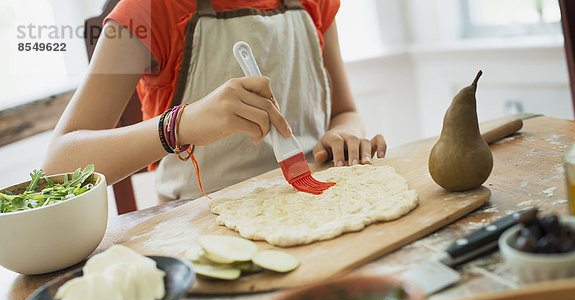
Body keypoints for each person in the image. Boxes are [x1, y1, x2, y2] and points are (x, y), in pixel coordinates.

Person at [42, 0, 387, 202]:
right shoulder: (148, 10)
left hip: (314, 201)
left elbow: (346, 112)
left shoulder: (314, 4)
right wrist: (179, 125)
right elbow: (58, 166)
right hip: (198, 229)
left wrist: (343, 134)